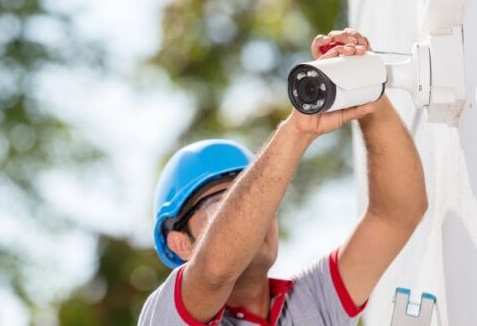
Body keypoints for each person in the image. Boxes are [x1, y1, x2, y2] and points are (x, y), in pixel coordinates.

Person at [139, 29, 428, 326]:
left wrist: (363, 85)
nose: (255, 218)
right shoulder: (165, 317)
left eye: (258, 199)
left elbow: (396, 215)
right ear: (181, 244)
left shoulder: (310, 303)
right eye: (220, 208)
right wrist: (298, 129)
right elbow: (215, 271)